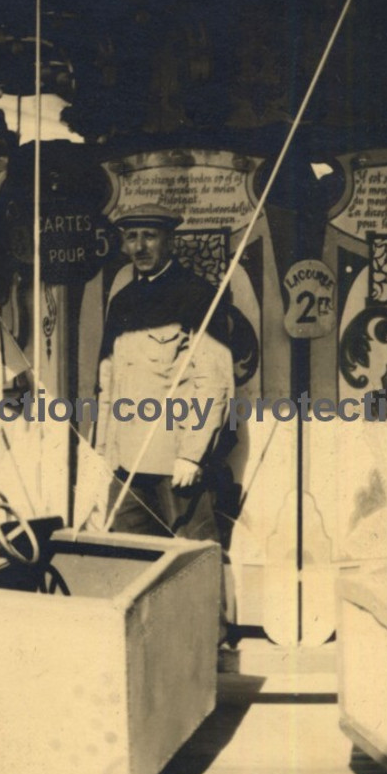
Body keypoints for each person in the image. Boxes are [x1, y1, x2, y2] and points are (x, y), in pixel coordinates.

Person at [94, 204, 234, 542]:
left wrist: (192, 453)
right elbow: (108, 383)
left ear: (169, 241)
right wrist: (103, 451)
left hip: (176, 463)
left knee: (192, 562)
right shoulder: (123, 301)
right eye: (131, 237)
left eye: (149, 236)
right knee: (126, 558)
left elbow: (213, 382)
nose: (139, 247)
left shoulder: (196, 295)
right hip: (127, 463)